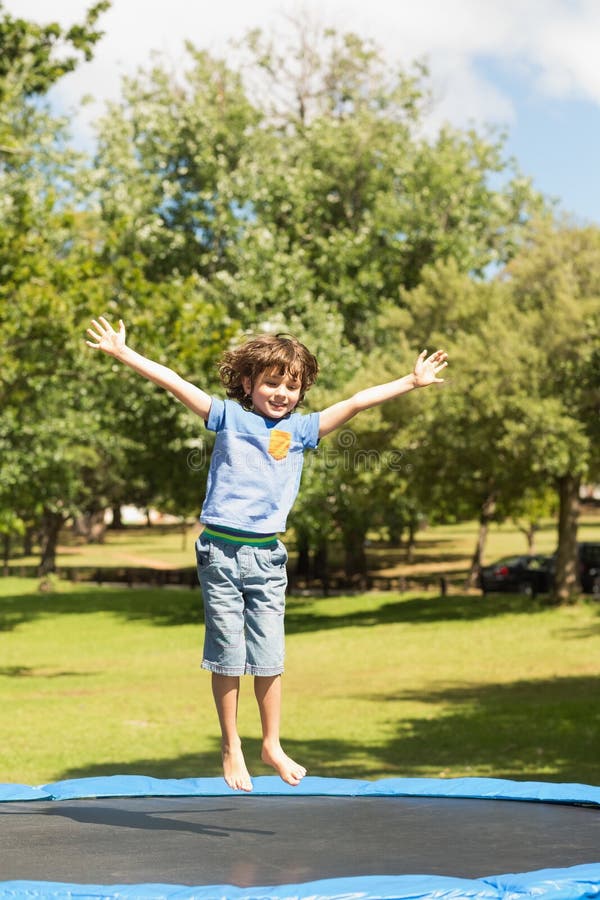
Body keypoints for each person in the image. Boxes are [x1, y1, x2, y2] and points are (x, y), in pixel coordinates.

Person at [86, 315, 448, 792]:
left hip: (268, 558)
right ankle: (231, 743)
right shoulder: (227, 417)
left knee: (270, 657)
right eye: (272, 382)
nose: (281, 393)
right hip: (220, 552)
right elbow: (174, 381)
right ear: (247, 383)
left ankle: (271, 743)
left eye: (291, 386)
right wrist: (123, 353)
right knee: (228, 655)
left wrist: (411, 381)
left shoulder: (301, 430)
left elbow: (357, 401)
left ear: (301, 392)